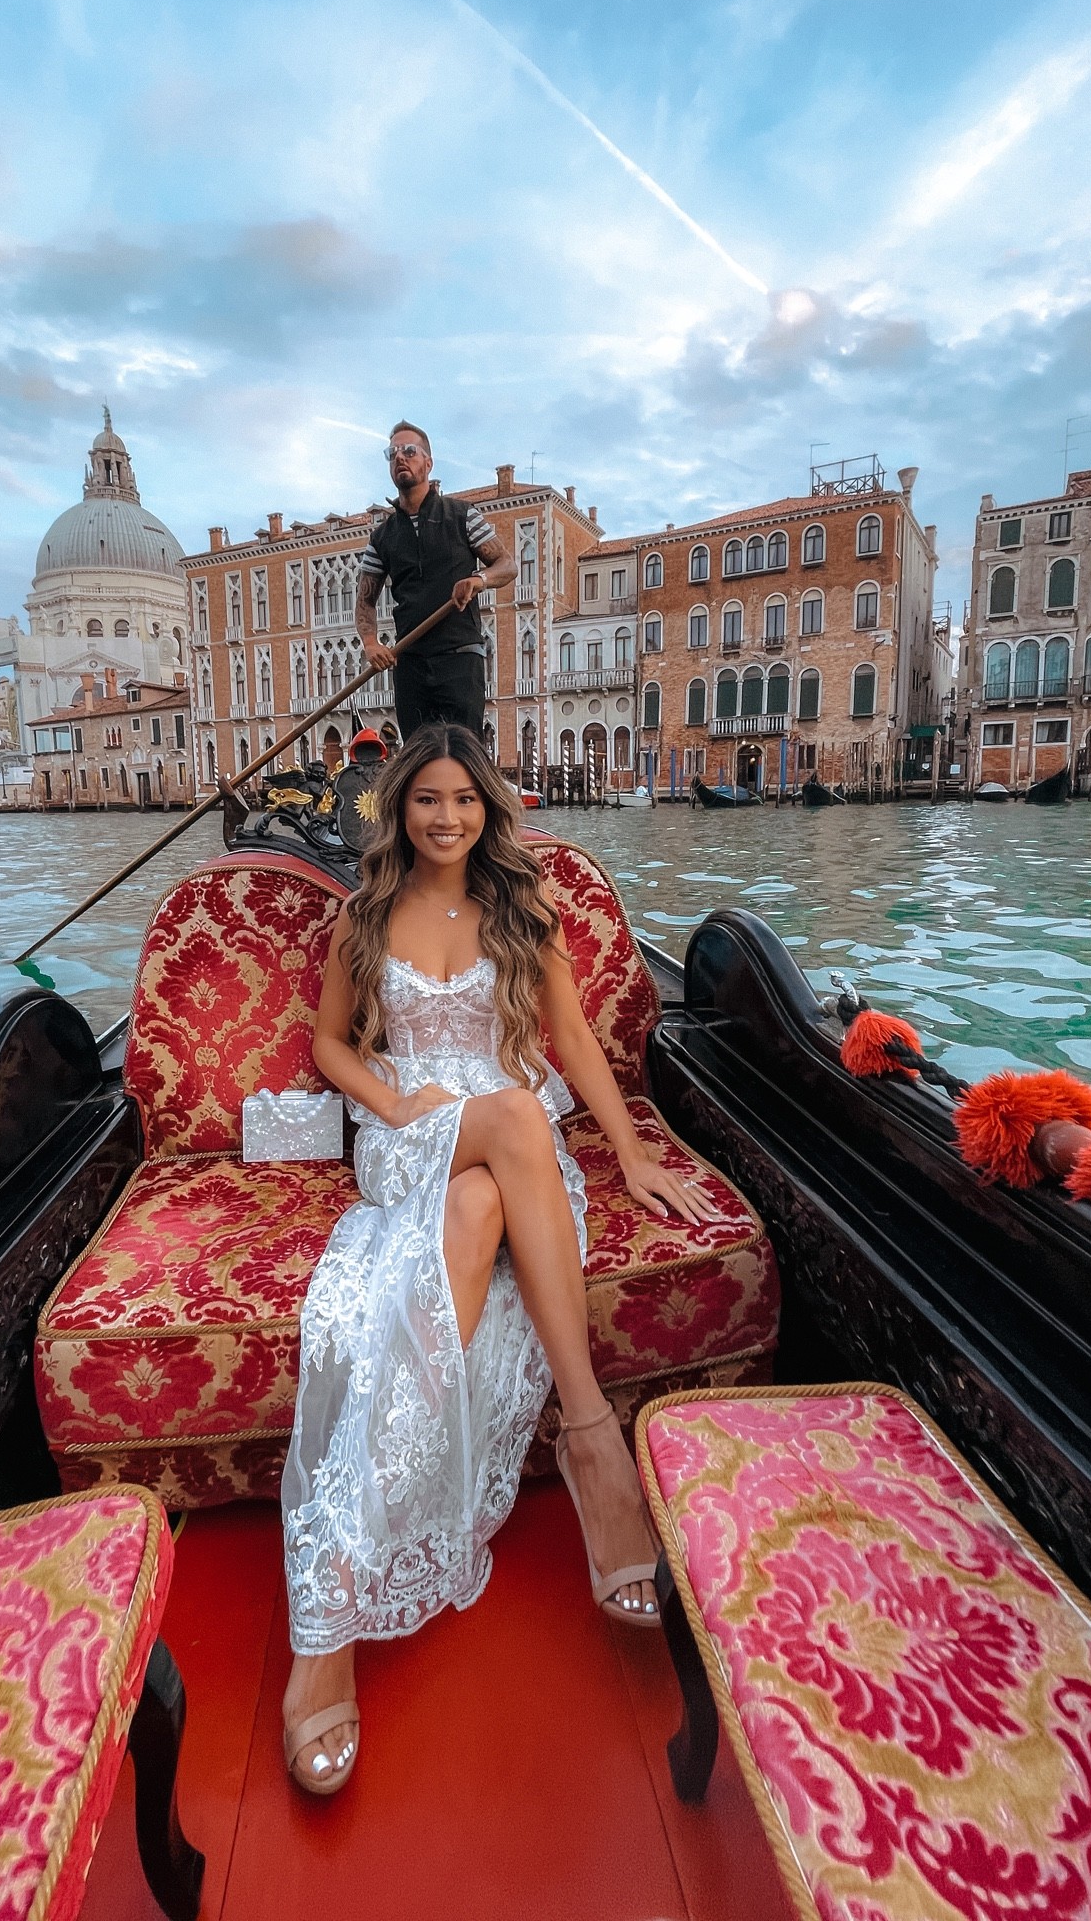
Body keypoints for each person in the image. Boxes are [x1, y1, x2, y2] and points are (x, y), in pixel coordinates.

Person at [279, 723, 718, 1794]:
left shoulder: (525, 908)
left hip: (506, 1155)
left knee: (486, 1194)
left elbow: (574, 1039)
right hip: (408, 1130)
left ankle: (330, 1609)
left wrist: (630, 1151)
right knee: (517, 1115)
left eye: (465, 799)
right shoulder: (364, 914)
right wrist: (394, 1102)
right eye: (427, 799)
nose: (447, 817)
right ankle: (593, 1441)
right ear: (400, 807)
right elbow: (331, 1042)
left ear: (489, 808)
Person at [354, 423, 516, 738]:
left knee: (465, 751)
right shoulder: (382, 537)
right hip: (410, 663)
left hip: (460, 657)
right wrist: (371, 643)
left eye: (409, 451)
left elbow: (507, 565)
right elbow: (365, 601)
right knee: (417, 754)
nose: (400, 457)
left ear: (428, 463)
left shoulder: (462, 516)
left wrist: (478, 580)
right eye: (392, 453)